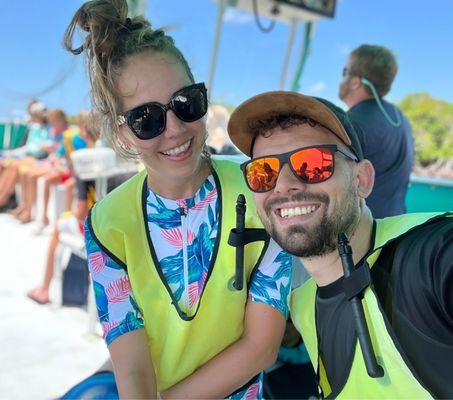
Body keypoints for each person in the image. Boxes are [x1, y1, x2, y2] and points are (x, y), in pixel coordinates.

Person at [64, 1, 291, 398]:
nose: (174, 130)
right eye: (146, 119)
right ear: (122, 135)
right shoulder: (107, 223)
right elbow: (131, 364)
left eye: (186, 103)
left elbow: (261, 346)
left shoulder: (261, 185)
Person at [227, 90, 453, 398]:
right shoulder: (304, 304)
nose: (285, 184)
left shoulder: (429, 256)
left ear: (362, 180)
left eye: (313, 163)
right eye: (263, 172)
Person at [339, 44, 414, 218]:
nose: (342, 79)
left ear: (356, 81)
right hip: (396, 228)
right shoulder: (400, 118)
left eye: (345, 72)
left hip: (366, 234)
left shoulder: (350, 123)